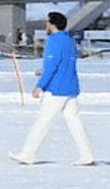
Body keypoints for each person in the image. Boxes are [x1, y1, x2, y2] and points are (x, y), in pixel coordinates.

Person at [11, 11, 96, 165]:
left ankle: (28, 153)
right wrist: (43, 70)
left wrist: (40, 86)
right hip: (70, 86)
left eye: (47, 22)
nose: (46, 25)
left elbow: (52, 65)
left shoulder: (53, 41)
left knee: (43, 121)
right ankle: (86, 154)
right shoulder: (69, 40)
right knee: (75, 122)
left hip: (56, 89)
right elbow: (63, 63)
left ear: (52, 24)